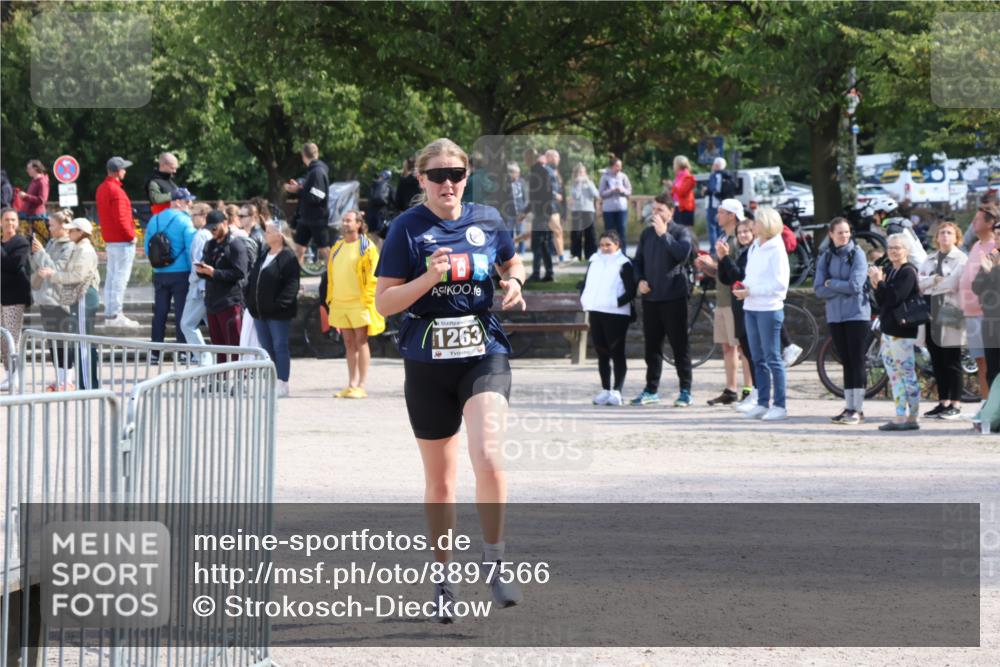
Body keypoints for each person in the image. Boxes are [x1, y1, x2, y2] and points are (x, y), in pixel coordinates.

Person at [374, 138, 527, 622]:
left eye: (456, 174)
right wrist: (427, 280)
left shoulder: (488, 219)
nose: (447, 183)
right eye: (437, 175)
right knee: (441, 484)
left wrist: (514, 283)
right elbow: (383, 303)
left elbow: (511, 261)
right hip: (426, 362)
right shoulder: (406, 228)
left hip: (485, 353)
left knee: (488, 454)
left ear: (467, 176)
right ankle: (442, 578)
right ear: (420, 179)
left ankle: (495, 560)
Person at [630, 194, 695, 407]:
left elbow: (683, 255)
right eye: (654, 209)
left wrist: (664, 234)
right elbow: (637, 261)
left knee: (679, 347)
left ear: (671, 211)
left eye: (660, 210)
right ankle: (651, 389)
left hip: (674, 297)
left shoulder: (681, 232)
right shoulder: (647, 234)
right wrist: (639, 280)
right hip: (651, 299)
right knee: (652, 348)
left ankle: (685, 390)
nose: (655, 214)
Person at [733, 206, 790, 421]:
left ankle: (780, 405)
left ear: (765, 224)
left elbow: (779, 285)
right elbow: (752, 276)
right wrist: (743, 287)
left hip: (769, 309)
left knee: (773, 357)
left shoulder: (777, 249)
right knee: (757, 357)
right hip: (751, 307)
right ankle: (762, 402)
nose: (752, 225)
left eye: (756, 222)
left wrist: (751, 291)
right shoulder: (755, 247)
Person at [814, 217, 872, 425]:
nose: (844, 236)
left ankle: (858, 409)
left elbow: (855, 286)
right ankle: (849, 406)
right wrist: (838, 286)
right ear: (831, 234)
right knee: (846, 362)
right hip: (836, 316)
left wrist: (832, 283)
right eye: (840, 232)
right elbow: (818, 289)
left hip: (857, 315)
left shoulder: (858, 254)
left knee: (856, 361)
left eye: (847, 232)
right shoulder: (826, 257)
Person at [35, 218, 101, 390]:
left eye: (72, 230)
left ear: (81, 232)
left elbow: (76, 276)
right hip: (81, 295)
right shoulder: (80, 248)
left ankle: (87, 385)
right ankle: (86, 383)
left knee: (83, 341)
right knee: (82, 340)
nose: (69, 232)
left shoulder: (84, 250)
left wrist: (52, 274)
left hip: (84, 295)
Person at [696, 198, 750, 406]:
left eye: (720, 212)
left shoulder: (738, 239)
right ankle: (730, 389)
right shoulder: (722, 236)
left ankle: (748, 388)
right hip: (722, 299)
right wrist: (706, 266)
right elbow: (721, 271)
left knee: (743, 347)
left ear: (731, 215)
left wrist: (713, 264)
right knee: (728, 347)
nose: (716, 215)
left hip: (735, 301)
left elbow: (735, 273)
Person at [323, 210, 383, 398]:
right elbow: (331, 274)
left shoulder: (366, 246)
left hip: (359, 301)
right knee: (348, 343)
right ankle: (351, 383)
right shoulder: (337, 247)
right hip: (340, 301)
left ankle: (362, 385)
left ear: (358, 223)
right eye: (344, 221)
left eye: (349, 221)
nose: (345, 224)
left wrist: (369, 299)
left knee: (361, 340)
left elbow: (374, 275)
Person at [869, 234, 921, 431]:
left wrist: (879, 283)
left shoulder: (908, 272)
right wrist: (877, 284)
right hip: (888, 329)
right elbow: (882, 301)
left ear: (906, 250)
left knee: (906, 373)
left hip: (903, 331)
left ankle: (912, 416)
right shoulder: (891, 270)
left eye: (897, 248)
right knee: (893, 374)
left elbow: (894, 298)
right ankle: (900, 415)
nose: (893, 251)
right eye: (890, 247)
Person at [580, 230, 636, 406]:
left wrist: (614, 302)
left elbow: (631, 291)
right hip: (596, 311)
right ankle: (605, 389)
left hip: (617, 314)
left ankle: (617, 390)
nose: (604, 248)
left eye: (608, 245)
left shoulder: (624, 263)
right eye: (602, 245)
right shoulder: (594, 260)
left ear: (617, 245)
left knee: (616, 351)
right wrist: (585, 298)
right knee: (601, 351)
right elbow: (587, 282)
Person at [919, 221, 967, 420]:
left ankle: (956, 402)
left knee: (951, 360)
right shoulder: (928, 259)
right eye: (942, 233)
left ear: (956, 237)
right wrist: (935, 281)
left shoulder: (961, 259)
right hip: (930, 313)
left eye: (949, 233)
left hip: (950, 311)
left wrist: (934, 282)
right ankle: (943, 401)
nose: (945, 236)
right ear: (936, 237)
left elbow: (953, 283)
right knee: (937, 360)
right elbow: (920, 284)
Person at [246, 220, 299, 398]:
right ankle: (272, 381)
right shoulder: (264, 254)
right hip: (259, 312)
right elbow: (253, 279)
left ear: (280, 235)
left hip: (278, 314)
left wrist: (278, 305)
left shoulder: (288, 257)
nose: (265, 235)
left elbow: (291, 287)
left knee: (280, 346)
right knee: (267, 348)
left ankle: (283, 382)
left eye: (269, 232)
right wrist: (250, 301)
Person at [144, 188, 197, 353]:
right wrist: (193, 272)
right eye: (188, 201)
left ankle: (155, 351)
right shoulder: (185, 221)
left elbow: (147, 247)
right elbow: (190, 249)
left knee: (159, 312)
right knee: (182, 312)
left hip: (159, 272)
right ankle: (182, 351)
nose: (190, 204)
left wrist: (157, 264)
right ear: (179, 202)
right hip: (181, 273)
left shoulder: (155, 219)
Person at [29, 209, 77, 390]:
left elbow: (56, 269)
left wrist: (41, 253)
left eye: (52, 225)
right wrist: (35, 253)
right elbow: (41, 267)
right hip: (45, 297)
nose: (49, 228)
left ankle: (68, 380)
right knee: (53, 341)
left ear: (63, 227)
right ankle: (60, 379)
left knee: (65, 339)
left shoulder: (69, 246)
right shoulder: (51, 242)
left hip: (60, 299)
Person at [196, 209, 249, 362]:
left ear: (225, 223)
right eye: (210, 228)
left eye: (215, 227)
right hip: (212, 301)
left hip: (230, 302)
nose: (212, 231)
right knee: (218, 346)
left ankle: (240, 380)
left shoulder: (235, 245)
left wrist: (214, 273)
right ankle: (221, 381)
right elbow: (207, 268)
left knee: (235, 345)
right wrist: (201, 270)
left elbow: (240, 273)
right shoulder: (210, 245)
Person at [959, 204, 999, 399]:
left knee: (992, 362)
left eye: (977, 219)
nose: (973, 223)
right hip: (971, 312)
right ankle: (986, 404)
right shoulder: (976, 246)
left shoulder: (996, 247)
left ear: (990, 223)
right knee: (981, 362)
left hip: (988, 314)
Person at [718, 218, 758, 410]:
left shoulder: (753, 252)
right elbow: (726, 278)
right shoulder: (741, 252)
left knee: (752, 353)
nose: (742, 235)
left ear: (753, 233)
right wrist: (722, 259)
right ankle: (757, 394)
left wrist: (726, 258)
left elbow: (739, 276)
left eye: (746, 232)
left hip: (750, 307)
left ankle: (756, 393)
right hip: (739, 308)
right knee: (747, 350)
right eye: (740, 232)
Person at [96, 156, 140, 328]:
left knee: (112, 278)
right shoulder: (117, 192)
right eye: (123, 169)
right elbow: (122, 219)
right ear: (117, 171)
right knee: (120, 279)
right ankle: (116, 315)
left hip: (111, 241)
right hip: (122, 241)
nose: (125, 171)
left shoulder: (102, 188)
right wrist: (131, 236)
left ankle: (110, 314)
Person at [286, 142, 331, 266]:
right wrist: (299, 186)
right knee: (298, 249)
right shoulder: (313, 171)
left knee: (324, 250)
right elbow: (310, 190)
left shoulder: (317, 172)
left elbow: (317, 196)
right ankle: (295, 281)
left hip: (317, 218)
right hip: (306, 218)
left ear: (303, 156)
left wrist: (298, 190)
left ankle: (335, 278)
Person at [179, 203, 213, 366]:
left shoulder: (201, 235)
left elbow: (198, 263)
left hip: (200, 287)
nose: (191, 218)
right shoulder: (206, 234)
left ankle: (204, 359)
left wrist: (193, 281)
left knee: (187, 324)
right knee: (212, 327)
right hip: (206, 286)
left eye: (194, 215)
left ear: (203, 216)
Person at [1, 207, 31, 390]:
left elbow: (14, 265)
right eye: (6, 220)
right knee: (3, 339)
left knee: (13, 337)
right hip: (0, 296)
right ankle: (8, 375)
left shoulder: (21, 242)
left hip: (14, 296)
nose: (10, 223)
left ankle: (16, 376)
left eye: (13, 220)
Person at [526, 149, 554, 282]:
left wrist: (527, 210)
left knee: (538, 244)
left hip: (541, 213)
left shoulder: (538, 172)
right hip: (544, 212)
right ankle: (548, 273)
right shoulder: (544, 171)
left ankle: (538, 273)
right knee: (543, 244)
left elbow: (537, 196)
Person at [598, 156, 632, 253]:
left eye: (620, 166)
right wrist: (612, 191)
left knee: (622, 231)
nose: (619, 168)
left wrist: (622, 191)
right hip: (609, 209)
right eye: (617, 166)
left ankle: (623, 252)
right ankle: (610, 252)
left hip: (621, 209)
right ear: (612, 166)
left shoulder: (623, 176)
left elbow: (629, 191)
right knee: (610, 232)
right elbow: (601, 193)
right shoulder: (605, 177)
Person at [568, 163, 599, 262]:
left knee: (590, 233)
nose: (581, 174)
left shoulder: (590, 183)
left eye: (583, 172)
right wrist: (579, 184)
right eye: (579, 172)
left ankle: (590, 255)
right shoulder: (574, 184)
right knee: (576, 234)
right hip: (577, 211)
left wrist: (588, 182)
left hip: (589, 210)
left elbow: (596, 194)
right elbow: (576, 196)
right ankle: (576, 255)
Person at [16, 160, 50, 240]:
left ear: (35, 168)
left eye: (29, 168)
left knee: (40, 241)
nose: (27, 170)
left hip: (37, 217)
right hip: (28, 215)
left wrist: (26, 196)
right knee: (24, 239)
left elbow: (42, 200)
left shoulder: (42, 182)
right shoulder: (34, 181)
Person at [500, 162, 529, 254]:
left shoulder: (522, 182)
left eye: (518, 173)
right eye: (516, 173)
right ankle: (510, 251)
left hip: (520, 211)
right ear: (510, 173)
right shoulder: (505, 184)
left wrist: (524, 211)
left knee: (521, 232)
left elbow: (525, 197)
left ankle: (522, 251)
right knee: (509, 232)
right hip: (510, 212)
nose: (518, 175)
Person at [544, 149, 567, 263]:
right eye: (556, 156)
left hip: (554, 206)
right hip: (548, 206)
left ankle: (561, 258)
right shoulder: (545, 170)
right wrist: (555, 195)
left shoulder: (554, 171)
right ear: (549, 157)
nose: (559, 159)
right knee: (557, 230)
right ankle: (561, 258)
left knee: (557, 231)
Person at [704, 157, 728, 247]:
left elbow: (711, 189)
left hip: (712, 204)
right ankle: (722, 246)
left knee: (712, 227)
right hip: (722, 203)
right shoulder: (726, 175)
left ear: (717, 165)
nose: (712, 166)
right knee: (720, 227)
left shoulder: (714, 175)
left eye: (713, 164)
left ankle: (714, 249)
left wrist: (705, 190)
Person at [366, 169, 395, 238]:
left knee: (371, 232)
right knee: (380, 233)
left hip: (371, 213)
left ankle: (370, 247)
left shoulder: (373, 184)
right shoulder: (389, 187)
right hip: (382, 213)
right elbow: (394, 201)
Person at [670, 155, 697, 228]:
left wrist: (672, 186)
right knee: (677, 230)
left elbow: (682, 192)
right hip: (677, 207)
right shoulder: (678, 177)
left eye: (674, 164)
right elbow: (674, 193)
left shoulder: (688, 177)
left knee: (686, 231)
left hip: (685, 208)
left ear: (678, 165)